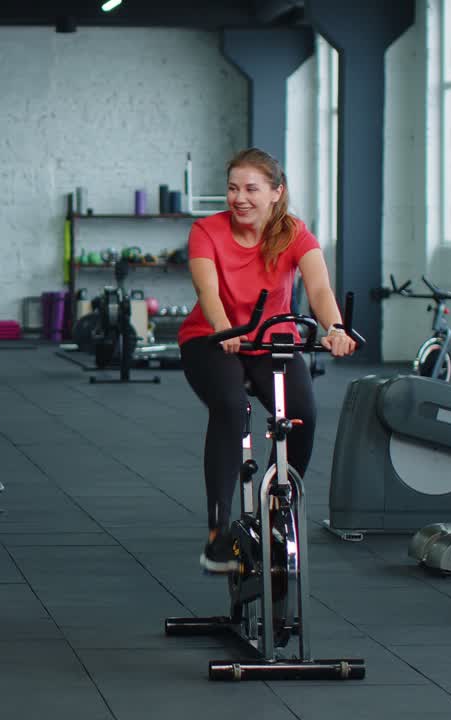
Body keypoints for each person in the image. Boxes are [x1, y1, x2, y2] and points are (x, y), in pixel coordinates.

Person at [178, 147, 355, 573]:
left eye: (251, 189)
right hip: (212, 338)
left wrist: (335, 328)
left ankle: (276, 509)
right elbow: (207, 290)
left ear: (277, 192)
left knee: (301, 414)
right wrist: (224, 329)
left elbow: (319, 289)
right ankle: (218, 535)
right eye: (232, 188)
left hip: (272, 339)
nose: (239, 198)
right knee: (231, 407)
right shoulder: (206, 230)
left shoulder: (294, 233)